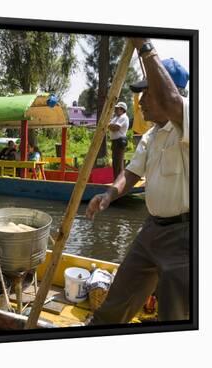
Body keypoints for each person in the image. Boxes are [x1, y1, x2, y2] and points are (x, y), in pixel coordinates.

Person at [85, 38, 190, 324]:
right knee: (118, 298)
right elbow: (131, 173)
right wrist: (108, 195)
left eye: (147, 94)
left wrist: (144, 46)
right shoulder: (151, 135)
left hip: (184, 236)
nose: (140, 102)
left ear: (170, 93)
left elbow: (172, 102)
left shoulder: (190, 121)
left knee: (175, 315)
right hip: (152, 229)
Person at [109, 101, 130, 179]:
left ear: (122, 109)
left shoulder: (123, 117)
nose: (115, 110)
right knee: (115, 162)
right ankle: (117, 179)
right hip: (115, 142)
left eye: (117, 108)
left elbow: (115, 128)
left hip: (119, 141)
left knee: (118, 163)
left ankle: (119, 180)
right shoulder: (116, 117)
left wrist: (110, 125)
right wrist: (110, 125)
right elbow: (111, 125)